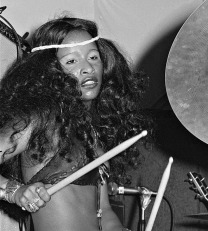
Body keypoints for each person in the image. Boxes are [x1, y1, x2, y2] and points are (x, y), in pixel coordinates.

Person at [0, 17, 153, 231]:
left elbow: (105, 212)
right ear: (50, 71)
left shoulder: (92, 133)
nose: (87, 68)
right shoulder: (37, 119)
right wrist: (14, 192)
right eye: (72, 61)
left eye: (93, 57)